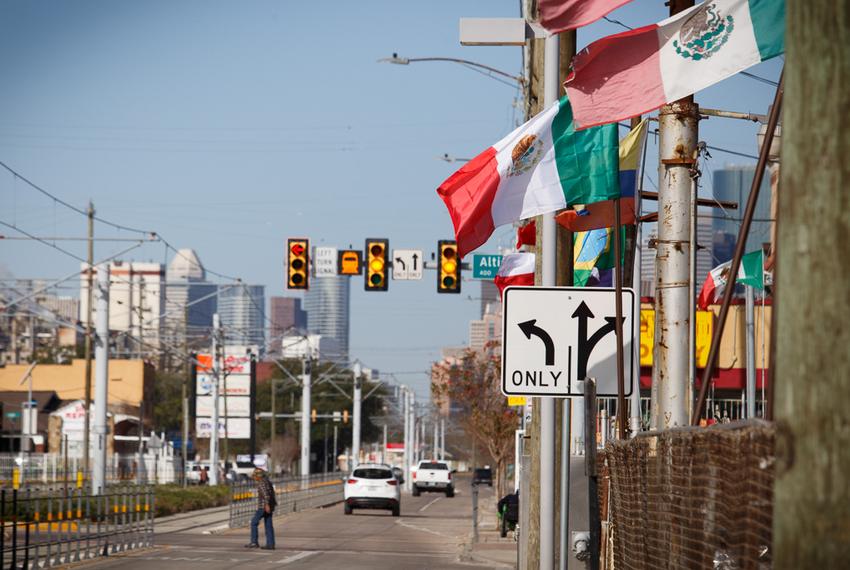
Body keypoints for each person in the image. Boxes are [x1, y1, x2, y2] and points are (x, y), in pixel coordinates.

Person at [245, 468, 276, 550]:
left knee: (254, 522)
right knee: (268, 525)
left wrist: (266, 505)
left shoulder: (261, 483)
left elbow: (266, 495)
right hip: (270, 506)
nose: (254, 478)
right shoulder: (267, 481)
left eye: (255, 476)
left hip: (263, 507)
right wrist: (270, 505)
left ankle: (254, 542)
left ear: (258, 476)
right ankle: (270, 544)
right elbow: (271, 494)